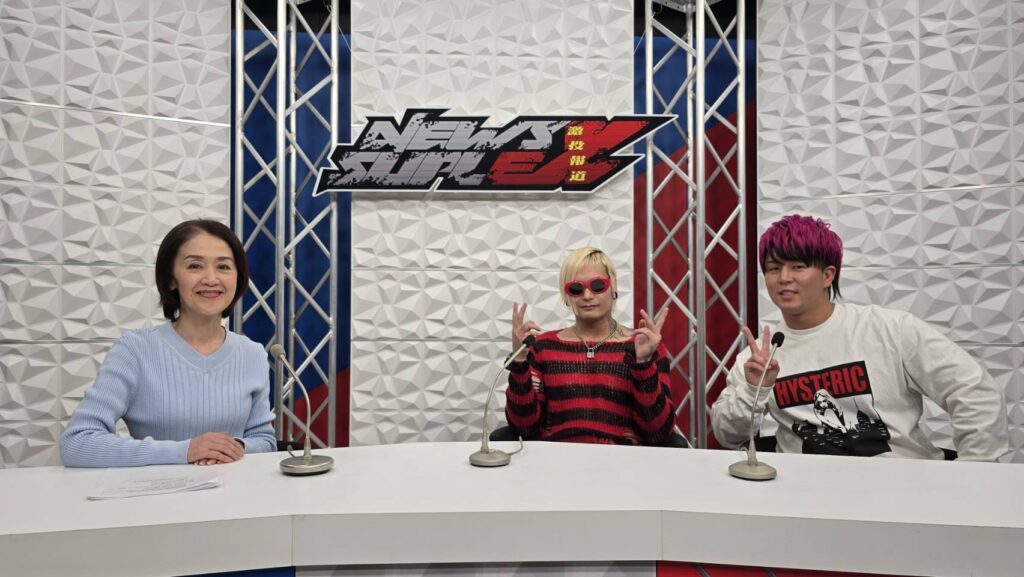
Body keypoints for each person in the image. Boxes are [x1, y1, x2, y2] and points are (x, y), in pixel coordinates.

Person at [711, 214, 1008, 461]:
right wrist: (754, 390)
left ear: (828, 275)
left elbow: (975, 392)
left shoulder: (889, 329)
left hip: (903, 490)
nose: (783, 278)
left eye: (798, 267)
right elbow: (728, 435)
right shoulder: (759, 358)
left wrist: (973, 474)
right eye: (773, 268)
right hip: (806, 497)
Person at [60, 220, 276, 467]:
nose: (211, 278)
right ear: (171, 279)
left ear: (238, 277)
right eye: (195, 266)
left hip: (235, 491)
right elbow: (77, 443)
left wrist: (232, 448)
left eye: (223, 266)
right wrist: (185, 451)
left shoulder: (252, 354)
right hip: (157, 491)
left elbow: (264, 441)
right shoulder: (135, 350)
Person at [505, 247, 677, 445]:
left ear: (613, 287)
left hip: (623, 460)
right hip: (559, 459)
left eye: (597, 286)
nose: (587, 295)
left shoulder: (643, 346)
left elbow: (658, 433)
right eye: (576, 288)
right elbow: (524, 427)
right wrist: (519, 361)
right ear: (566, 295)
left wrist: (643, 364)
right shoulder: (543, 347)